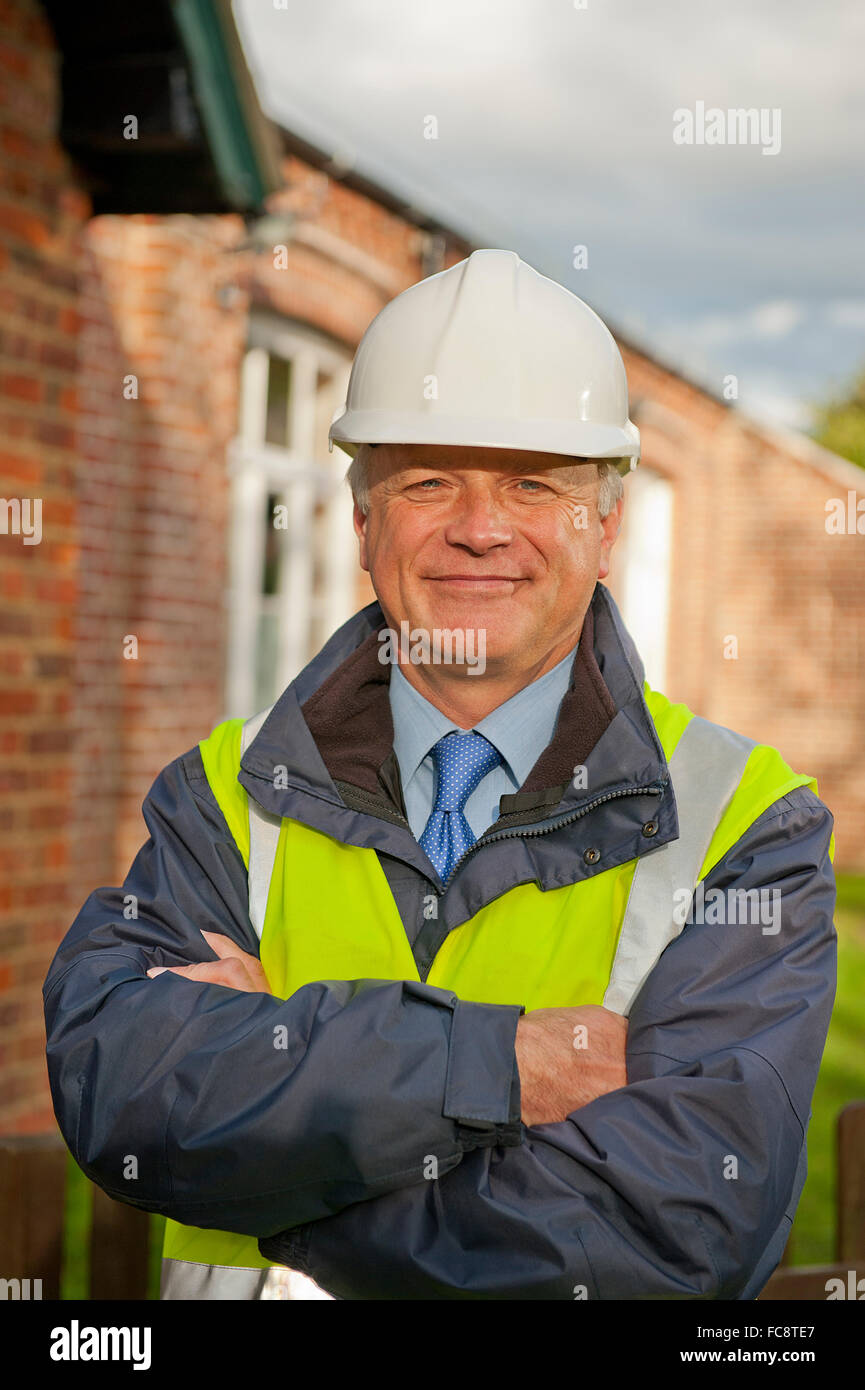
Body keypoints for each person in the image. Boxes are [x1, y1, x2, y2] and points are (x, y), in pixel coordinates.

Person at [43, 250, 836, 1300]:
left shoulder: (744, 822)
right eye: (427, 482)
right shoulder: (222, 792)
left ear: (605, 528)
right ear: (364, 519)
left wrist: (280, 1161)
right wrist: (498, 1067)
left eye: (532, 484)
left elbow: (672, 1235)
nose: (479, 527)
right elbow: (127, 1088)